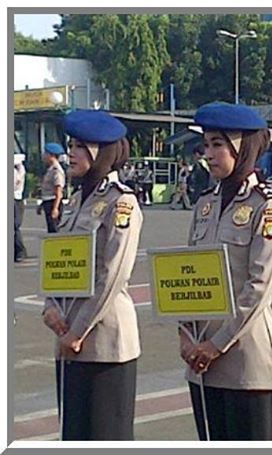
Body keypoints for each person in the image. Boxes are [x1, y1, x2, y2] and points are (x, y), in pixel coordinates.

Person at [179, 102, 272, 440]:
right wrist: (185, 333)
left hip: (247, 365)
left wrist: (216, 344)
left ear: (242, 149)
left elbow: (259, 287)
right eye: (206, 145)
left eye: (218, 145)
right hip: (202, 365)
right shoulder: (205, 204)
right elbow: (188, 274)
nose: (209, 155)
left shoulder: (268, 207)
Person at [41, 109, 143, 440]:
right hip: (68, 338)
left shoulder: (121, 202)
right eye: (71, 144)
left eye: (81, 146)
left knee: (105, 436)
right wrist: (51, 306)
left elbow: (112, 275)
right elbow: (61, 264)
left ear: (102, 153)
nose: (71, 152)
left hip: (104, 343)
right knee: (73, 434)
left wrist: (78, 330)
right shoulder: (77, 200)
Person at [38, 142, 66, 233]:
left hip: (53, 202)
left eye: (45, 154)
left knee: (54, 230)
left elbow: (58, 192)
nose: (43, 156)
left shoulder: (56, 171)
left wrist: (55, 208)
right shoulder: (50, 169)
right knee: (50, 229)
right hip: (48, 202)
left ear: (51, 155)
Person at [14, 153, 27, 262]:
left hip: (15, 199)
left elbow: (14, 184)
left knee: (15, 227)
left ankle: (20, 251)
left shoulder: (18, 171)